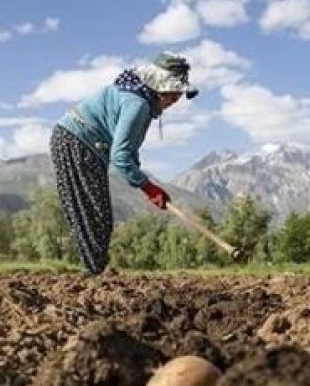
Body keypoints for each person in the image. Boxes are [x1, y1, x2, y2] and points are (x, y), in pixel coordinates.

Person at [49, 51, 198, 274]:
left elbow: (128, 149)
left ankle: (94, 272)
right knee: (96, 217)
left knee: (96, 216)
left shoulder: (138, 97)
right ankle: (94, 275)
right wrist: (148, 187)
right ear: (161, 86)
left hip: (76, 141)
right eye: (175, 92)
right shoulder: (137, 105)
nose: (176, 99)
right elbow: (120, 156)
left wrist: (144, 182)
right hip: (77, 142)